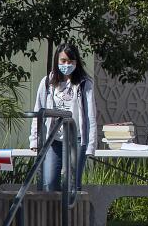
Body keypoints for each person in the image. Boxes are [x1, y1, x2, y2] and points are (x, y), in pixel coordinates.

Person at [29, 42, 97, 191]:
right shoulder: (47, 82)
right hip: (53, 139)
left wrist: (90, 146)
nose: (67, 64)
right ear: (57, 61)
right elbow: (38, 111)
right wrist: (34, 139)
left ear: (76, 62)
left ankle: (72, 213)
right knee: (50, 182)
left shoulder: (85, 83)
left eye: (71, 61)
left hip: (76, 140)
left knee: (71, 183)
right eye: (63, 61)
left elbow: (90, 116)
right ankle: (54, 213)